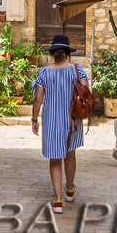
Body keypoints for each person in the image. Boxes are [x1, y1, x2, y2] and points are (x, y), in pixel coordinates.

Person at [31, 34, 88, 214]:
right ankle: (69, 190)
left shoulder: (44, 72)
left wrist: (34, 119)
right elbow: (86, 93)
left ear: (53, 53)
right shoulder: (78, 70)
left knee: (55, 159)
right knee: (70, 154)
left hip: (52, 121)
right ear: (68, 53)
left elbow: (38, 99)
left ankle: (57, 200)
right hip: (72, 118)